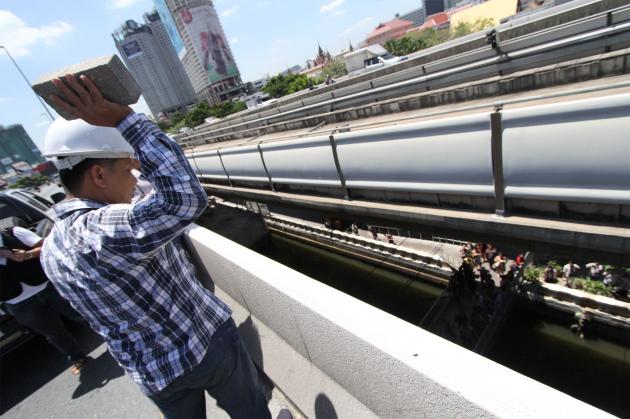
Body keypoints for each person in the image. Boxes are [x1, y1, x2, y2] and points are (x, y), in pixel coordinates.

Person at [41, 74, 271, 419]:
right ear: (100, 176)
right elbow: (184, 199)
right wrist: (124, 120)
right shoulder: (102, 228)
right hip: (205, 344)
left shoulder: (50, 247)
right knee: (251, 411)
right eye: (127, 170)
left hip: (153, 373)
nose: (135, 178)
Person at [0, 224, 87, 374]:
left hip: (48, 287)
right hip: (19, 303)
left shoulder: (13, 233)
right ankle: (77, 357)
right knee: (53, 332)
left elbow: (48, 248)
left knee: (81, 313)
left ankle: (118, 336)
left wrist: (28, 254)